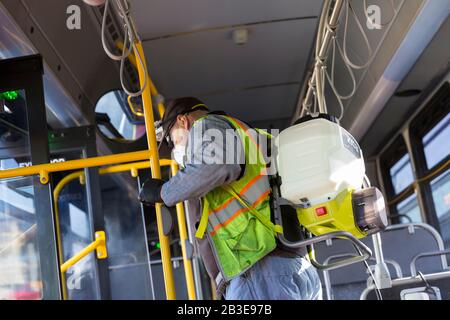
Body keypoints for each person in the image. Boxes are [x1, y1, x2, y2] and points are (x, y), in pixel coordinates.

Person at [138, 97, 322, 300]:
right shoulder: (247, 134)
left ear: (183, 121)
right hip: (290, 263)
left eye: (173, 139)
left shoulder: (206, 126)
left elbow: (218, 165)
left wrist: (164, 192)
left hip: (258, 267)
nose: (175, 149)